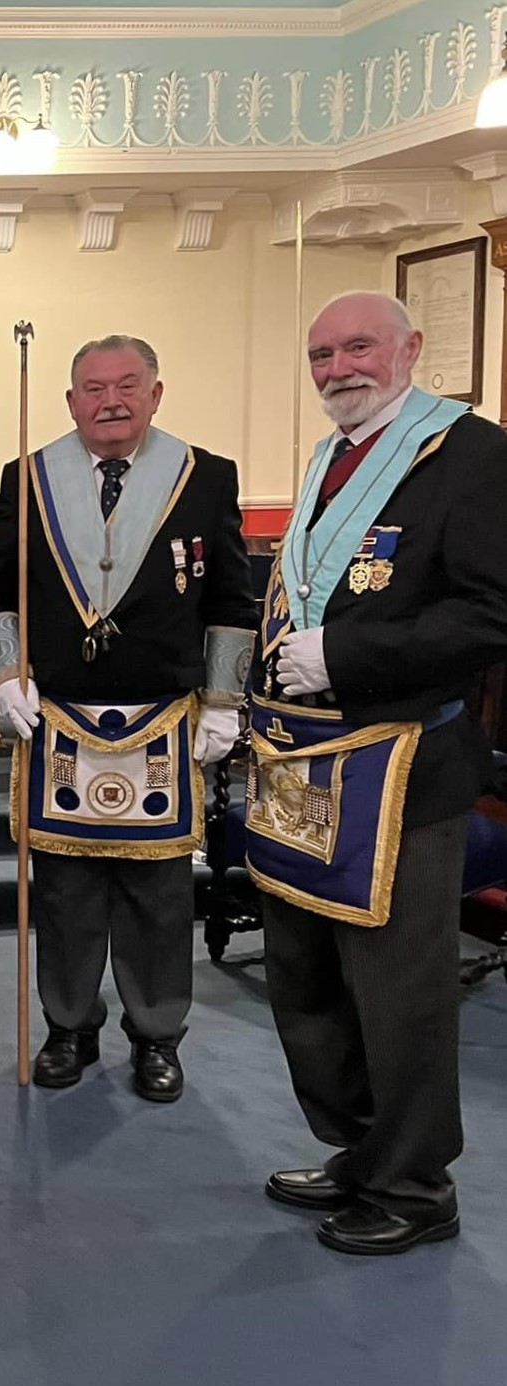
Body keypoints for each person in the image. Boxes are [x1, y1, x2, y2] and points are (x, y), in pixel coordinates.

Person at [251, 291, 507, 1255]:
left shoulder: (473, 454)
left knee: (398, 988)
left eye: (357, 347)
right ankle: (359, 1149)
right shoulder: (331, 454)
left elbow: (493, 614)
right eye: (320, 353)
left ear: (411, 349)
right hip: (303, 766)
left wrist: (348, 659)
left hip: (404, 766)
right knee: (305, 975)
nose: (337, 367)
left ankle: (413, 1184)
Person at [0, 335, 255, 1104]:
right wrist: (1, 675)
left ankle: (157, 1035)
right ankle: (68, 1028)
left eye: (128, 385)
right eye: (93, 389)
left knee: (159, 897)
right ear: (70, 402)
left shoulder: (204, 476)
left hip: (162, 717)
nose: (111, 401)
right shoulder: (28, 478)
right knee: (62, 890)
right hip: (59, 715)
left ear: (157, 393)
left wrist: (225, 703)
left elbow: (232, 600)